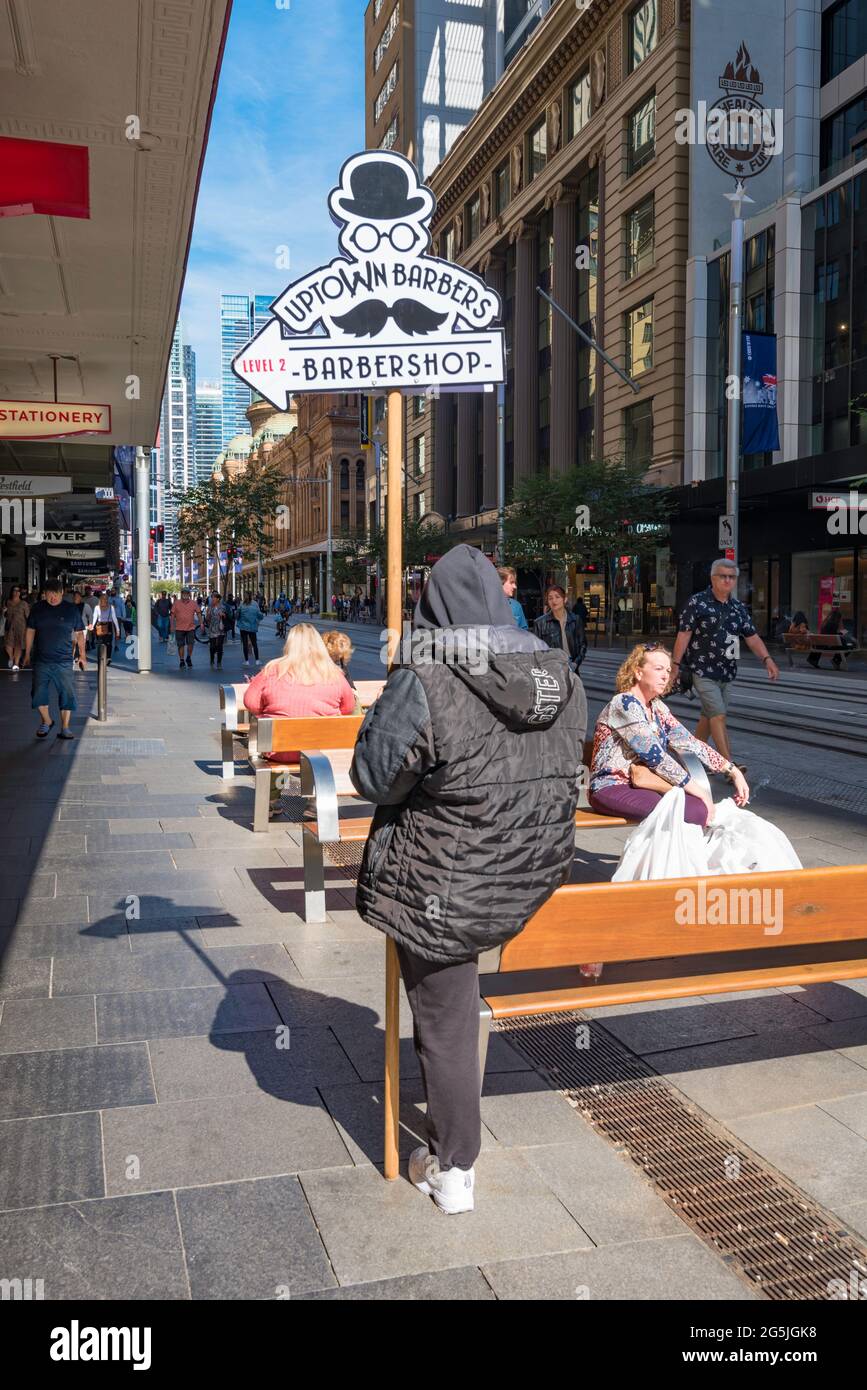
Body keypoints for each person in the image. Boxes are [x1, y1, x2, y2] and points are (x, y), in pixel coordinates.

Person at [349, 545, 587, 1214]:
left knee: (447, 1022)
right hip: (530, 871)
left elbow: (373, 778)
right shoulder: (561, 675)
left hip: (444, 883)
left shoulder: (425, 677)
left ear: (434, 606)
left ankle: (454, 1170)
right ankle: (451, 1155)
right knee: (454, 1012)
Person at [590, 644, 749, 827]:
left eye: (668, 670)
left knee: (695, 808)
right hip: (611, 787)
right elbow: (656, 758)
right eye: (658, 669)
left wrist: (732, 770)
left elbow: (690, 742)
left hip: (643, 783)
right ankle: (667, 856)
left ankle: (664, 855)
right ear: (638, 672)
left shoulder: (656, 707)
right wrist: (700, 791)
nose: (666, 675)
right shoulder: (624, 704)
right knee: (692, 810)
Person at [671, 559, 779, 765]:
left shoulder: (738, 608)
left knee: (709, 717)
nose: (728, 580)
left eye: (732, 577)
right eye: (723, 576)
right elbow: (683, 635)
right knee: (718, 716)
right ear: (713, 578)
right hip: (702, 671)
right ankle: (728, 766)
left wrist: (767, 659)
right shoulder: (697, 603)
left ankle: (690, 760)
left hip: (727, 673)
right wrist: (675, 666)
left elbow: (752, 637)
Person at [243, 624, 356, 816]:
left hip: (279, 750)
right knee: (319, 744)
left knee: (275, 741)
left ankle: (271, 799)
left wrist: (269, 709)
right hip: (321, 752)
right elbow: (348, 707)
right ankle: (315, 801)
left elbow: (250, 702)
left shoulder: (272, 669)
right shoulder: (334, 673)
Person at [22, 579, 86, 739]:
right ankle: (47, 721)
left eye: (56, 595)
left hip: (64, 660)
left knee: (66, 694)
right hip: (41, 659)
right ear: (45, 594)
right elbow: (30, 630)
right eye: (49, 595)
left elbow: (79, 633)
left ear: (62, 593)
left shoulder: (71, 610)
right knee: (38, 694)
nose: (52, 598)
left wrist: (82, 655)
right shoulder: (37, 608)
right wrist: (27, 653)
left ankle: (65, 727)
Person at [533, 584, 587, 671]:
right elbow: (536, 651)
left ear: (564, 599)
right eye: (550, 598)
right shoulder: (540, 623)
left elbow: (583, 645)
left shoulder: (575, 620)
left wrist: (576, 663)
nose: (554, 601)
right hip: (550, 669)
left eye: (557, 597)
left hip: (571, 667)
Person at [170, 588, 200, 670]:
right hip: (179, 628)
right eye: (184, 593)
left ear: (189, 594)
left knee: (191, 644)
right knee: (181, 645)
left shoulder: (193, 603)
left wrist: (202, 624)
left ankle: (188, 657)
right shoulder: (176, 603)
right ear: (181, 593)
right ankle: (182, 660)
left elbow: (198, 613)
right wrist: (171, 626)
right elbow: (172, 615)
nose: (185, 594)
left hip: (191, 628)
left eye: (187, 593)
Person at [89, 591, 120, 665]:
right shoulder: (107, 607)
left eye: (105, 598)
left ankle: (105, 657)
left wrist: (92, 626)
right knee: (106, 643)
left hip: (101, 625)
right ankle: (106, 657)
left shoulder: (107, 607)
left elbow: (95, 618)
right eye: (104, 598)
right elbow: (114, 619)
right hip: (106, 625)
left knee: (103, 642)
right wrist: (117, 630)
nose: (104, 600)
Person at [4, 584, 30, 670]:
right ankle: (11, 657)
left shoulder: (24, 603)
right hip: (9, 627)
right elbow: (4, 615)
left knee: (18, 645)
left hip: (21, 627)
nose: (16, 592)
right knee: (8, 645)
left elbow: (28, 617)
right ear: (11, 592)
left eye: (18, 591)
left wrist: (29, 629)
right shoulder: (8, 602)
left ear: (20, 593)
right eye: (14, 590)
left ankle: (16, 663)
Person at [238, 592, 264, 667]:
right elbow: (259, 615)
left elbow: (237, 614)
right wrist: (258, 619)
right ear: (251, 596)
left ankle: (246, 661)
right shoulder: (255, 604)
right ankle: (257, 660)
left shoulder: (241, 604)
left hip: (243, 627)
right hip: (252, 627)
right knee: (254, 643)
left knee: (245, 644)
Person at [498, 565, 528, 629]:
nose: (515, 586)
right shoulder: (487, 605)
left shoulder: (516, 606)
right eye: (511, 582)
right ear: (500, 583)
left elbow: (524, 633)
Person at [202, 592, 226, 669]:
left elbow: (225, 616)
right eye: (212, 598)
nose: (212, 599)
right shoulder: (210, 607)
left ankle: (219, 662)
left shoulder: (222, 607)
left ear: (218, 599)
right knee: (212, 646)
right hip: (212, 628)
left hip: (220, 628)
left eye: (214, 598)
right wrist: (208, 614)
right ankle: (212, 660)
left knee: (219, 646)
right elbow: (207, 619)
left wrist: (223, 615)